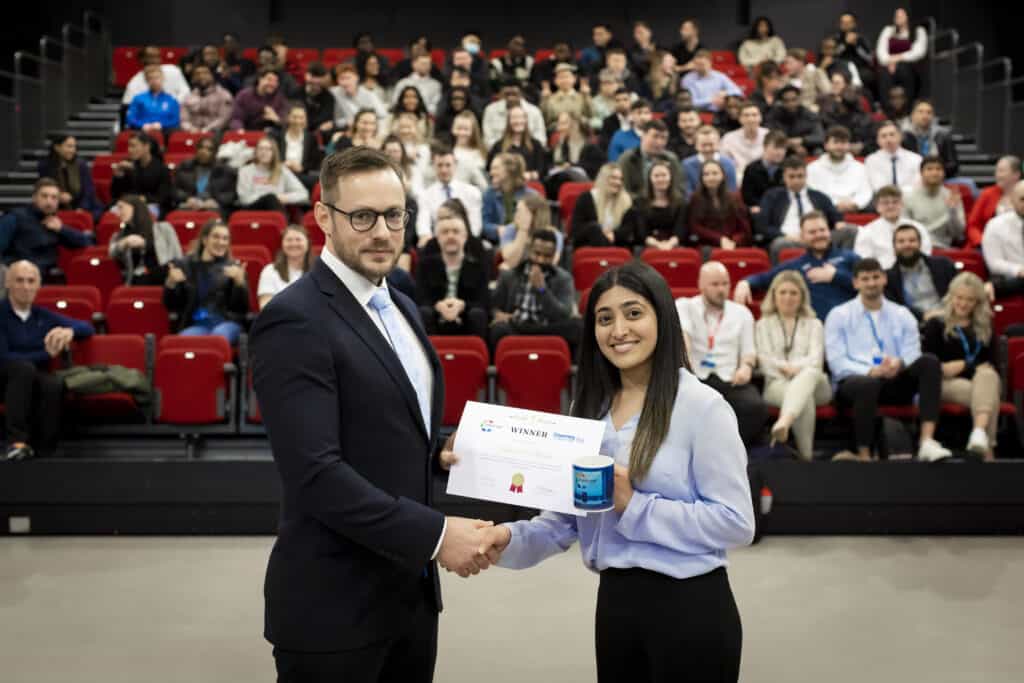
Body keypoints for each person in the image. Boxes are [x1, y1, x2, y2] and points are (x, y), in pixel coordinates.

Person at [251, 147, 504, 681]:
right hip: (334, 610)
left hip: (408, 599)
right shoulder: (294, 320)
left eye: (394, 215)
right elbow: (316, 475)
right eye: (362, 217)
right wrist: (437, 537)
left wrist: (436, 451)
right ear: (323, 217)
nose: (383, 232)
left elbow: (385, 425)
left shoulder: (403, 305)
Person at [469, 260, 754, 683]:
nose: (618, 330)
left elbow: (736, 523)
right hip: (616, 607)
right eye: (605, 318)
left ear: (663, 317)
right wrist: (506, 539)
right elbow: (566, 521)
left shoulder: (703, 407)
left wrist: (635, 505)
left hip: (691, 609)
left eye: (633, 313)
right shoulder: (588, 412)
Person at [825, 258, 952, 462]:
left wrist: (899, 363)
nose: (871, 283)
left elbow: (913, 351)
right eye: (865, 279)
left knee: (929, 362)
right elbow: (837, 362)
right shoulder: (839, 315)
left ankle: (927, 441)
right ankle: (864, 455)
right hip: (855, 383)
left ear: (884, 279)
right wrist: (870, 370)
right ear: (855, 283)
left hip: (894, 380)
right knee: (867, 384)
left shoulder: (902, 314)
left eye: (876, 277)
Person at [0, 260, 94, 460]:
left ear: (38, 285)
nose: (26, 287)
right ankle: (16, 442)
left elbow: (87, 327)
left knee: (53, 383)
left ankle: (45, 451)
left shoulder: (42, 315)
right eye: (19, 280)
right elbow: (4, 357)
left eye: (31, 281)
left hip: (33, 377)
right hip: (5, 377)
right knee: (23, 369)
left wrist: (69, 331)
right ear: (8, 283)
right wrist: (46, 354)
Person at [677, 261, 768, 446]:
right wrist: (686, 367)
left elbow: (749, 351)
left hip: (730, 378)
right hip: (695, 375)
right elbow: (683, 338)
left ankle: (728, 448)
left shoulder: (741, 313)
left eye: (725, 284)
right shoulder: (685, 306)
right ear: (701, 285)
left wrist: (746, 368)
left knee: (756, 407)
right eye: (715, 284)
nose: (721, 289)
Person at [922, 273, 1001, 460]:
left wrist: (964, 366)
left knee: (988, 378)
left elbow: (991, 365)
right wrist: (970, 367)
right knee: (988, 397)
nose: (963, 304)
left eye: (970, 300)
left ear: (977, 302)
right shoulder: (936, 324)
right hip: (944, 383)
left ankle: (979, 432)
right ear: (951, 296)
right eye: (959, 298)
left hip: (979, 381)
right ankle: (987, 452)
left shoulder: (985, 325)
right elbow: (930, 364)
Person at [755, 271, 832, 460]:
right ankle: (807, 458)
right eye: (783, 292)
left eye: (793, 293)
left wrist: (795, 369)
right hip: (777, 385)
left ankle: (784, 421)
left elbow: (816, 359)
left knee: (810, 374)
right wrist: (785, 369)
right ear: (774, 295)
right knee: (803, 399)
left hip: (817, 387)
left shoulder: (814, 324)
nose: (788, 298)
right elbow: (764, 360)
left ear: (802, 297)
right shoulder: (763, 325)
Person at [735, 211, 859, 321]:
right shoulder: (795, 265)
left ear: (829, 231)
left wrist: (836, 276)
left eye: (822, 230)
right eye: (812, 232)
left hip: (849, 325)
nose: (819, 235)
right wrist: (745, 282)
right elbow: (764, 278)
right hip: (813, 329)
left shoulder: (849, 257)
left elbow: (873, 285)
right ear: (802, 237)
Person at [489, 230, 581, 352]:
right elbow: (493, 306)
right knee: (498, 330)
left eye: (547, 256)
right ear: (529, 251)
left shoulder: (564, 279)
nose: (540, 260)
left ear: (554, 257)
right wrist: (497, 314)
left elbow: (564, 315)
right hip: (517, 326)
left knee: (578, 327)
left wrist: (542, 290)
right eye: (537, 253)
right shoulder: (509, 275)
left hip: (548, 327)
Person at [163, 219, 248, 344]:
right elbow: (171, 305)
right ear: (204, 240)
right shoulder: (185, 266)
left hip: (227, 323)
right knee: (182, 341)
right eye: (216, 237)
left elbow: (242, 309)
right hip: (197, 325)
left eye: (225, 238)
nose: (221, 242)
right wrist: (170, 283)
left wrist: (240, 284)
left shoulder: (234, 268)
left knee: (217, 337)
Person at [416, 200, 489, 338]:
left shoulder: (477, 266)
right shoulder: (426, 265)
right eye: (445, 232)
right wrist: (438, 306)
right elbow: (420, 298)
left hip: (466, 315)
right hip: (435, 314)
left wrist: (462, 305)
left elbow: (483, 300)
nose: (450, 236)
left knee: (478, 314)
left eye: (456, 232)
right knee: (423, 312)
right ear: (437, 238)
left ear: (465, 236)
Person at [0, 179, 94, 279]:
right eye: (44, 196)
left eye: (54, 198)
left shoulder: (55, 224)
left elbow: (87, 242)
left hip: (48, 278)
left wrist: (61, 229)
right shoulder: (15, 217)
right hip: (19, 277)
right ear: (34, 198)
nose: (49, 201)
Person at [756, 156, 844, 261]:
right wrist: (785, 235)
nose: (796, 181)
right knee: (779, 243)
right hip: (789, 240)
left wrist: (838, 222)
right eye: (791, 177)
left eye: (800, 176)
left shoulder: (819, 196)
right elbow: (762, 225)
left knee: (849, 231)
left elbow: (835, 215)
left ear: (806, 176)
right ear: (784, 177)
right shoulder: (772, 197)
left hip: (819, 238)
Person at [883, 223, 955, 320]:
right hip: (913, 325)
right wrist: (922, 316)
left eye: (912, 240)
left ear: (920, 244)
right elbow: (894, 309)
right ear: (894, 247)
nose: (907, 245)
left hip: (949, 318)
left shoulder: (943, 265)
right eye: (901, 241)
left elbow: (959, 293)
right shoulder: (888, 278)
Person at [415, 145, 483, 246]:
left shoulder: (472, 192)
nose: (444, 170)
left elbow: (475, 226)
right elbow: (423, 225)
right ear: (433, 166)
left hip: (466, 242)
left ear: (455, 165)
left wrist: (460, 239)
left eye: (448, 165)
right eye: (440, 165)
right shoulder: (425, 195)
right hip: (437, 243)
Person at [109, 195, 183, 285]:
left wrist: (145, 244)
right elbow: (112, 253)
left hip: (164, 278)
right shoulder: (120, 235)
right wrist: (124, 242)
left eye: (121, 208)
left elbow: (177, 255)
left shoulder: (163, 228)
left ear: (134, 207)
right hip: (135, 281)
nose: (118, 213)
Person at [619, 159, 689, 252]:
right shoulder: (639, 202)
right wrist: (658, 245)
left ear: (671, 177)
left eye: (664, 175)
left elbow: (680, 230)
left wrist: (669, 245)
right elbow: (641, 232)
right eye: (656, 176)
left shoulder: (681, 203)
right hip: (646, 246)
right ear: (650, 179)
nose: (660, 179)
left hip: (674, 246)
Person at [855, 186, 933, 269]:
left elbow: (926, 252)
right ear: (877, 207)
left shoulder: (918, 227)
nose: (890, 206)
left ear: (902, 205)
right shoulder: (866, 231)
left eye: (895, 202)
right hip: (882, 275)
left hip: (914, 270)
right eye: (885, 203)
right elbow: (864, 260)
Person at [683, 159, 749, 253]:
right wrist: (720, 239)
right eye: (706, 174)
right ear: (701, 178)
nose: (711, 177)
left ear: (722, 175)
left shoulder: (734, 198)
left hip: (732, 244)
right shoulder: (696, 198)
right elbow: (695, 227)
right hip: (708, 244)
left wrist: (734, 241)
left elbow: (743, 228)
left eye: (715, 173)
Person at [806, 126, 873, 212]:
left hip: (856, 210)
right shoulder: (812, 168)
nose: (839, 146)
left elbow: (866, 191)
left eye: (843, 142)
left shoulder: (860, 168)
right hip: (825, 213)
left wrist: (855, 204)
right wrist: (835, 204)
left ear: (849, 145)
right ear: (826, 145)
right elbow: (814, 194)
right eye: (836, 142)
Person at [903, 157, 965, 249]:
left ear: (944, 173)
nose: (934, 173)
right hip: (916, 249)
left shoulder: (952, 197)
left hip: (944, 248)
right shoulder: (908, 197)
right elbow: (904, 231)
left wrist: (952, 211)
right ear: (921, 173)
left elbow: (958, 234)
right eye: (929, 169)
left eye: (938, 169)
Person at [236, 137, 310, 214]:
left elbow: (303, 194)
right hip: (253, 209)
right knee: (270, 198)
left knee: (272, 199)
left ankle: (281, 222)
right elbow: (244, 198)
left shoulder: (282, 170)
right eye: (261, 149)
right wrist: (268, 197)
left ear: (274, 152)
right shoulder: (245, 170)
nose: (264, 152)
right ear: (256, 152)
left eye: (268, 149)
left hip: (275, 207)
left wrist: (284, 197)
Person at [37, 135, 102, 220]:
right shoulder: (45, 166)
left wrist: (82, 208)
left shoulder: (81, 165)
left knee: (95, 212)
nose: (73, 150)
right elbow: (43, 186)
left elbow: (88, 189)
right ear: (57, 147)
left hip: (80, 202)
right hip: (56, 203)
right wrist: (58, 195)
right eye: (69, 146)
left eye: (74, 147)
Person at [109, 133, 175, 217]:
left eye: (133, 146)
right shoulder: (126, 166)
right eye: (129, 146)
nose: (130, 150)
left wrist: (144, 198)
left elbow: (163, 196)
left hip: (151, 205)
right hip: (129, 204)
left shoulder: (161, 169)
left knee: (141, 215)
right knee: (112, 213)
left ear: (146, 147)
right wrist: (119, 175)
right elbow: (115, 194)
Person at [570, 164, 634, 249]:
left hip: (617, 245)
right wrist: (599, 232)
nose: (618, 182)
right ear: (603, 179)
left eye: (620, 179)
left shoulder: (626, 200)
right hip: (590, 245)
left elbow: (628, 229)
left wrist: (614, 234)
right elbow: (576, 230)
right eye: (613, 178)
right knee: (594, 228)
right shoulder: (586, 198)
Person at [619, 120, 685, 200]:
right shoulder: (627, 159)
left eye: (663, 138)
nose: (659, 142)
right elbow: (623, 191)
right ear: (643, 135)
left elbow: (679, 189)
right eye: (655, 136)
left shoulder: (671, 159)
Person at [481, 152, 539, 244]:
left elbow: (540, 227)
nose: (491, 172)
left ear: (509, 170)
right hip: (497, 243)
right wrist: (498, 230)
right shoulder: (489, 194)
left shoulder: (532, 196)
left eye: (495, 168)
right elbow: (484, 225)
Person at [981, 180, 1024, 298]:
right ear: (1012, 200)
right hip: (1010, 280)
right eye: (1022, 199)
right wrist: (1019, 270)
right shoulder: (995, 225)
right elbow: (994, 263)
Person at [966, 156, 1021, 248]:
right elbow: (972, 225)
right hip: (987, 244)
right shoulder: (987, 194)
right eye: (997, 171)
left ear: (1016, 174)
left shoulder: (1022, 193)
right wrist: (982, 242)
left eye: (1001, 171)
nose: (997, 175)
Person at [173, 138, 237, 214]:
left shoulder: (226, 171)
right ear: (196, 150)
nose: (203, 151)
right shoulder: (184, 167)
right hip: (188, 205)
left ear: (215, 152)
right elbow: (175, 189)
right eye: (201, 148)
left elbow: (231, 194)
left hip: (214, 207)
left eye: (209, 149)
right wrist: (187, 198)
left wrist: (216, 201)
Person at [486, 105, 548, 183]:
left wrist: (529, 175)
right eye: (514, 118)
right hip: (505, 186)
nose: (518, 121)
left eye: (521, 117)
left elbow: (542, 171)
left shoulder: (536, 145)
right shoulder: (498, 146)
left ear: (526, 120)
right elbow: (490, 170)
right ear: (508, 121)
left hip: (530, 186)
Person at [499, 193, 562, 269]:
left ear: (534, 215)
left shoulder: (554, 235)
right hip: (516, 271)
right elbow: (511, 261)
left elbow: (550, 264)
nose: (515, 215)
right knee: (504, 267)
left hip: (542, 274)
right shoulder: (510, 229)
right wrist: (523, 230)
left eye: (519, 211)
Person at [876, 7, 928, 99]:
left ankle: (908, 107)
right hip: (888, 66)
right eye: (896, 16)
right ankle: (887, 108)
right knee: (884, 75)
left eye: (901, 15)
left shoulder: (918, 31)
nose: (898, 17)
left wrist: (896, 59)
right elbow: (880, 52)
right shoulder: (888, 30)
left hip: (910, 66)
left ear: (908, 17)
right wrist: (889, 62)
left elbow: (919, 52)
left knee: (903, 70)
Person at [901, 100, 960, 181]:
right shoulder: (903, 137)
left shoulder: (943, 136)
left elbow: (953, 164)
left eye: (929, 112)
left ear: (933, 116)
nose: (925, 116)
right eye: (920, 112)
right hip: (911, 178)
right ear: (912, 115)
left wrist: (935, 172)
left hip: (939, 178)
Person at [257, 225, 312, 308]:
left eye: (298, 239)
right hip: (280, 319)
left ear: (308, 243)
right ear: (282, 244)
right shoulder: (270, 270)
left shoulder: (319, 271)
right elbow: (265, 307)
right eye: (289, 240)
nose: (293, 243)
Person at [270, 105, 323, 190]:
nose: (298, 121)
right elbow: (271, 157)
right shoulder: (277, 136)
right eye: (294, 117)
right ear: (288, 118)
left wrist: (302, 168)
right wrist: (283, 164)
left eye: (301, 118)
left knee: (317, 181)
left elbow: (315, 162)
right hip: (280, 173)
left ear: (306, 120)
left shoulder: (311, 138)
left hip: (301, 175)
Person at [482, 80, 547, 149]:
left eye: (514, 94)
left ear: (521, 93)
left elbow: (541, 139)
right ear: (501, 94)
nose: (510, 98)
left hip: (529, 152)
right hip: (499, 152)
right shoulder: (490, 110)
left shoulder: (534, 111)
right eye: (507, 94)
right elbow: (488, 139)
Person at [548, 111, 604, 189]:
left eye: (563, 124)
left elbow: (595, 171)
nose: (559, 128)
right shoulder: (560, 146)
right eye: (559, 124)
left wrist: (571, 166)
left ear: (575, 126)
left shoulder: (591, 149)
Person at [764, 85, 825, 156]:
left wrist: (802, 140)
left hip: (807, 148)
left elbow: (820, 136)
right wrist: (792, 145)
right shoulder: (774, 115)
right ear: (781, 102)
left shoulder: (809, 115)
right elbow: (770, 135)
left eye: (794, 99)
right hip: (784, 149)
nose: (790, 103)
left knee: (818, 151)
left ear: (799, 100)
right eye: (786, 100)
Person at [865, 121, 922, 194]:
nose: (888, 139)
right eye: (883, 136)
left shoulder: (916, 159)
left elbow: (917, 185)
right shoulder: (871, 160)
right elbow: (877, 186)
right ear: (878, 141)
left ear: (900, 136)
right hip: (883, 200)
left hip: (910, 199)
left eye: (892, 135)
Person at [121, 45, 190, 105]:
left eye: (157, 56)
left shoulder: (173, 70)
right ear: (141, 60)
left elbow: (186, 92)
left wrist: (170, 105)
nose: (155, 60)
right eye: (150, 57)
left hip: (175, 114)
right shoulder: (134, 83)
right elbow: (128, 104)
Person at [719, 101, 768, 182]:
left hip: (763, 178)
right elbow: (724, 165)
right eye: (746, 115)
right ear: (740, 119)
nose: (751, 119)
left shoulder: (768, 136)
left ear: (760, 117)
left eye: (754, 115)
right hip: (737, 178)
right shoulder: (728, 139)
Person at [682, 126, 738, 195]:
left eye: (711, 144)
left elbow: (732, 192)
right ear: (696, 145)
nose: (707, 149)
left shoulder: (729, 164)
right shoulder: (686, 165)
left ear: (718, 144)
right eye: (703, 145)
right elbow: (687, 193)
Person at [740, 130, 787, 213]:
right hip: (759, 210)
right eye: (776, 147)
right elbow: (748, 197)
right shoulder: (751, 169)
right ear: (765, 146)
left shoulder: (787, 168)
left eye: (783, 148)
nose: (780, 152)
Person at [179, 63, 233, 134]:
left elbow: (224, 118)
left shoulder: (224, 95)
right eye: (197, 74)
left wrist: (207, 129)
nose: (201, 76)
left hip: (216, 133)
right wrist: (190, 128)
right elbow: (183, 120)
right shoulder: (188, 97)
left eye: (205, 73)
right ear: (193, 78)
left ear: (212, 76)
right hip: (192, 133)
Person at [819, 82, 872, 154]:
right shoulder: (828, 115)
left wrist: (862, 145)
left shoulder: (864, 117)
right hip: (833, 148)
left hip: (858, 150)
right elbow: (824, 136)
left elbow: (869, 138)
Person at [126, 65, 181, 134]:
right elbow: (131, 118)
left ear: (163, 78)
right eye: (150, 78)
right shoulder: (138, 98)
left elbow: (175, 120)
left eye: (157, 77)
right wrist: (142, 125)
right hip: (141, 132)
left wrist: (162, 125)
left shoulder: (171, 99)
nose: (154, 81)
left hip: (165, 133)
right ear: (146, 80)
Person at [332, 63, 387, 130]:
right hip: (345, 130)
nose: (345, 82)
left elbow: (382, 115)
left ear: (357, 78)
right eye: (341, 78)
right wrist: (347, 122)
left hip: (368, 128)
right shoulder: (334, 94)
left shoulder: (369, 94)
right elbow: (334, 121)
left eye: (348, 78)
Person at [834, 12, 876, 96]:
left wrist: (856, 45)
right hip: (842, 67)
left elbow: (869, 58)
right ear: (840, 24)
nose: (846, 25)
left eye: (848, 22)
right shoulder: (836, 39)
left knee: (868, 76)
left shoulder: (861, 39)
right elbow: (834, 55)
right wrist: (845, 44)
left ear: (854, 24)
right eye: (843, 23)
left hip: (860, 68)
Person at [541, 63, 592, 131]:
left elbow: (591, 115)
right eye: (561, 77)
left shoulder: (582, 97)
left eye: (567, 76)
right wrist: (544, 99)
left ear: (574, 79)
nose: (565, 80)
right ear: (555, 81)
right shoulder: (550, 99)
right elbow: (545, 121)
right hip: (557, 134)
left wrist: (587, 96)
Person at [449, 111, 490, 192]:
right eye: (459, 128)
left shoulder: (479, 154)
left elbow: (483, 184)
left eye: (466, 129)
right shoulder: (448, 151)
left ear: (473, 131)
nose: (462, 133)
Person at [300, 62, 338, 135]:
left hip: (319, 134)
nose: (316, 86)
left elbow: (326, 120)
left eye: (318, 84)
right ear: (307, 76)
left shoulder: (328, 97)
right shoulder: (296, 93)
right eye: (312, 83)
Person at [598, 87, 633, 152]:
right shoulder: (608, 121)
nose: (621, 103)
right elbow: (604, 144)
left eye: (625, 99)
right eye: (617, 100)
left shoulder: (636, 119)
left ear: (630, 101)